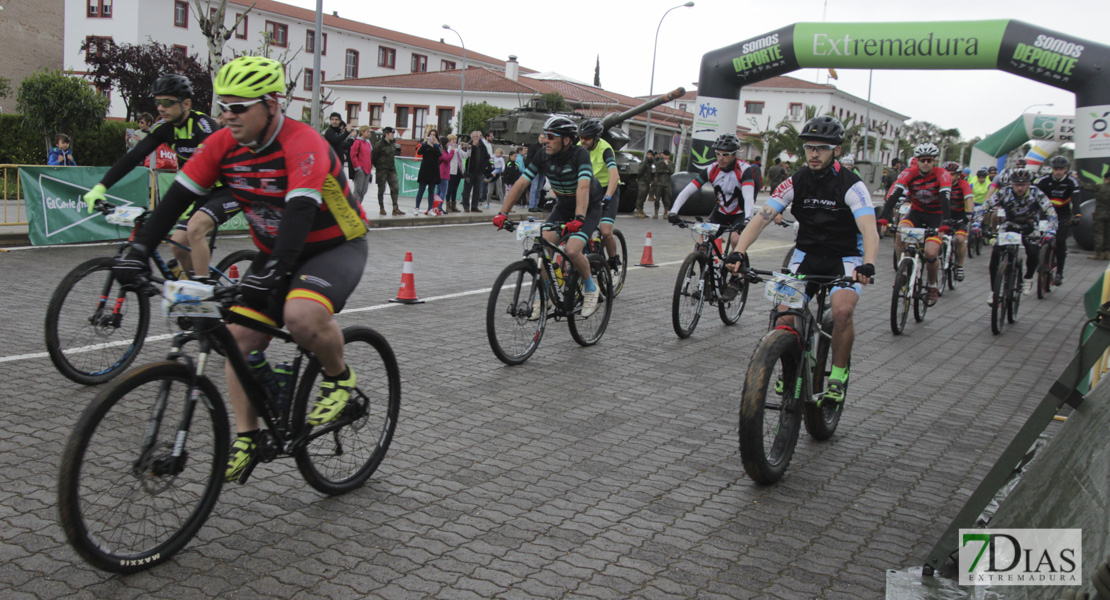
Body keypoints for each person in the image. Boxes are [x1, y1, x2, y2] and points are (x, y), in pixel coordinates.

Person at [109, 56, 370, 482]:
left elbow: (301, 210)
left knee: (299, 316)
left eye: (238, 107)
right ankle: (248, 436)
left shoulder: (302, 141)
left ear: (271, 104)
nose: (227, 116)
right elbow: (174, 201)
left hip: (333, 245)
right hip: (276, 250)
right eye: (223, 106)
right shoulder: (223, 144)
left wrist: (274, 274)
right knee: (237, 337)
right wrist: (138, 250)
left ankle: (339, 378)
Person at [729, 115, 878, 406]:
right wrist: (740, 251)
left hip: (845, 257)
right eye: (809, 147)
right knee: (785, 315)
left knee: (842, 311)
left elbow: (869, 229)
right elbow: (762, 218)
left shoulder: (852, 185)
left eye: (821, 148)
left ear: (835, 149)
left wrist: (868, 263)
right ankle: (790, 363)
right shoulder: (795, 181)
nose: (813, 153)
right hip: (806, 255)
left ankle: (837, 373)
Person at [83, 73, 227, 279]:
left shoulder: (204, 126)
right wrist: (101, 187)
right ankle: (191, 283)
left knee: (195, 230)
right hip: (198, 190)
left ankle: (204, 295)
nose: (160, 108)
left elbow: (209, 165)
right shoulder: (164, 128)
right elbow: (134, 157)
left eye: (167, 102)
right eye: (158, 102)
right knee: (177, 246)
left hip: (223, 189)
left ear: (186, 103)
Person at [492, 115, 603, 318]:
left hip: (587, 207)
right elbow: (521, 184)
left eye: (551, 136)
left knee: (572, 249)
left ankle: (590, 288)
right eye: (544, 135)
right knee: (543, 246)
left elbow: (583, 186)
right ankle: (546, 295)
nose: (545, 140)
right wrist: (503, 212)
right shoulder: (542, 155)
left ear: (566, 140)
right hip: (563, 206)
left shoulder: (580, 155)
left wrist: (579, 217)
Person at [877, 142, 951, 306]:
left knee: (931, 254)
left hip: (936, 216)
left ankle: (932, 284)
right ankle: (901, 270)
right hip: (916, 214)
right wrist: (884, 217)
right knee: (899, 234)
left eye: (929, 160)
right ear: (917, 161)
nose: (926, 163)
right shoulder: (908, 173)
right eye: (922, 160)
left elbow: (945, 199)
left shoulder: (942, 174)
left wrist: (945, 222)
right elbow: (895, 194)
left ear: (934, 161)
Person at [669, 133, 757, 263]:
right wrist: (673, 211)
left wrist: (748, 219)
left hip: (740, 214)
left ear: (734, 154)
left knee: (735, 240)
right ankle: (706, 275)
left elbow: (748, 196)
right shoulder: (712, 169)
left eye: (725, 155)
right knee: (702, 242)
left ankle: (736, 276)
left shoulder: (744, 169)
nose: (721, 158)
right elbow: (688, 190)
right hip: (720, 212)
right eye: (718, 154)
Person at [977, 168, 1057, 300]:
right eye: (1017, 185)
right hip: (1009, 225)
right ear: (1012, 184)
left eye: (1023, 184)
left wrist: (1051, 230)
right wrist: (976, 224)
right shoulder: (1004, 192)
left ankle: (1028, 277)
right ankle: (993, 291)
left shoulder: (1036, 193)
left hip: (1029, 226)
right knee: (995, 255)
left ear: (1029, 184)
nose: (1020, 188)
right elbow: (984, 207)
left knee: (1033, 251)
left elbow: (1051, 212)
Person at [577, 119, 622, 279]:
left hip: (607, 188)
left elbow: (614, 175)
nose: (583, 140)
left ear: (595, 138)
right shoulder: (578, 147)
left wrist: (608, 197)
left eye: (587, 138)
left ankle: (613, 262)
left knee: (605, 231)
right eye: (581, 137)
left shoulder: (605, 148)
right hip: (589, 189)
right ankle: (592, 254)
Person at [1034, 155, 1081, 284]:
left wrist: (1077, 215)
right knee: (1040, 238)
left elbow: (1076, 200)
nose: (1058, 172)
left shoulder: (1072, 181)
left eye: (1061, 169)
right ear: (1052, 169)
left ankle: (1059, 271)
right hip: (1046, 213)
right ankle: (1042, 259)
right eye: (1055, 169)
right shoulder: (1043, 180)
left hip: (1063, 215)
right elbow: (1033, 197)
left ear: (1066, 169)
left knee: (1060, 242)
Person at [942, 161, 973, 281]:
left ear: (959, 175)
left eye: (953, 174)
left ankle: (960, 266)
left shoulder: (963, 184)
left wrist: (969, 214)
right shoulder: (940, 183)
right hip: (943, 216)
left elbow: (969, 199)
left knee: (960, 240)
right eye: (947, 173)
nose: (949, 177)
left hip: (959, 216)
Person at [373, 126, 404, 216]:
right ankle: (381, 208)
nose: (393, 136)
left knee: (395, 188)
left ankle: (395, 208)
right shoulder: (379, 144)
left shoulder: (392, 144)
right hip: (382, 170)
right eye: (391, 134)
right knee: (381, 190)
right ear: (386, 134)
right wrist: (379, 166)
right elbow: (374, 157)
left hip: (391, 170)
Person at [460, 129, 491, 213]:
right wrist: (472, 146)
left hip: (479, 171)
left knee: (477, 191)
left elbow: (486, 156)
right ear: (472, 138)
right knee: (467, 190)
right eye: (474, 137)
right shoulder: (469, 145)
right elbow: (466, 154)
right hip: (470, 171)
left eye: (477, 136)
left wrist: (485, 166)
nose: (475, 138)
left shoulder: (482, 145)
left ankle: (474, 206)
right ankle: (466, 206)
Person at [1083, 172, 1110, 260]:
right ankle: (1107, 253)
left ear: (1105, 179)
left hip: (1100, 213)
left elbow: (1084, 186)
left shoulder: (1099, 187)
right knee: (1108, 234)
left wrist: (1075, 178)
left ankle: (1098, 254)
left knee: (1099, 234)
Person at [414, 129, 441, 214]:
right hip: (425, 170)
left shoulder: (437, 145)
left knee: (431, 191)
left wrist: (435, 144)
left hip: (433, 171)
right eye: (431, 135)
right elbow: (419, 152)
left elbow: (439, 154)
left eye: (434, 135)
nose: (432, 136)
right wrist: (424, 142)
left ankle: (430, 209)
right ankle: (417, 208)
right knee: (421, 190)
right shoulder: (425, 145)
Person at [350, 126, 375, 212]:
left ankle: (358, 205)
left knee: (364, 190)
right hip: (360, 170)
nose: (369, 133)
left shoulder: (368, 143)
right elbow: (353, 155)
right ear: (362, 132)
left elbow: (369, 155)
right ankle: (354, 207)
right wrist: (358, 168)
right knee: (358, 189)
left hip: (367, 169)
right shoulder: (357, 142)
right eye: (367, 131)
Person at [526, 133, 547, 213]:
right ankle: (531, 205)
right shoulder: (533, 147)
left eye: (543, 138)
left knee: (539, 189)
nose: (541, 139)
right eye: (541, 137)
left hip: (542, 170)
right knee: (534, 188)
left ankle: (536, 205)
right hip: (535, 170)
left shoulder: (546, 148)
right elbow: (529, 159)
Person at [652, 150, 674, 219]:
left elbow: (671, 171)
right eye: (664, 155)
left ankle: (665, 213)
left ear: (669, 156)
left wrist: (666, 167)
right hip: (659, 183)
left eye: (666, 155)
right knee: (657, 199)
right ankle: (656, 213)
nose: (665, 157)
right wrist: (665, 170)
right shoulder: (660, 162)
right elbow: (658, 171)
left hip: (667, 184)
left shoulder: (671, 163)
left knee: (667, 200)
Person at [446, 134, 465, 213]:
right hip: (451, 171)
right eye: (452, 139)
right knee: (449, 189)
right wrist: (459, 147)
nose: (454, 141)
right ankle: (448, 205)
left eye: (455, 139)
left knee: (455, 189)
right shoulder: (449, 147)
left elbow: (464, 156)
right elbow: (452, 152)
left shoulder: (458, 148)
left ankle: (454, 205)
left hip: (458, 171)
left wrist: (469, 150)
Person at [635, 149, 655, 218]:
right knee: (641, 194)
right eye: (649, 154)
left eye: (651, 155)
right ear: (647, 155)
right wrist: (638, 178)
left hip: (647, 181)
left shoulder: (650, 163)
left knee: (644, 196)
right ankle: (639, 211)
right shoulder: (644, 162)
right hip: (642, 181)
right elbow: (640, 171)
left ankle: (641, 211)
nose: (650, 156)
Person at [437, 135, 454, 208]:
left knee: (439, 191)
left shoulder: (444, 151)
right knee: (443, 192)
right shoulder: (442, 151)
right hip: (443, 174)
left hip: (441, 173)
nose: (448, 144)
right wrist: (452, 150)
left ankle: (436, 206)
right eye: (447, 143)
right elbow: (447, 158)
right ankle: (439, 207)